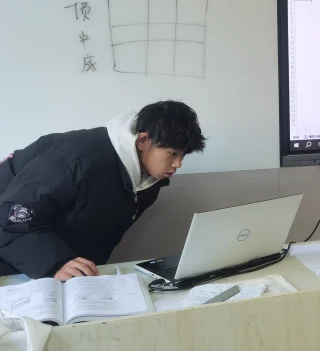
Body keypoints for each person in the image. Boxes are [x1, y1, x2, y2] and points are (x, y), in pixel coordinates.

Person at [0, 101, 205, 280]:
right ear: (143, 140)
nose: (178, 164)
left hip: (53, 269)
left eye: (183, 155)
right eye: (172, 153)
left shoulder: (149, 179)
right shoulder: (75, 158)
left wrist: (78, 269)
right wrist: (55, 263)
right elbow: (12, 219)